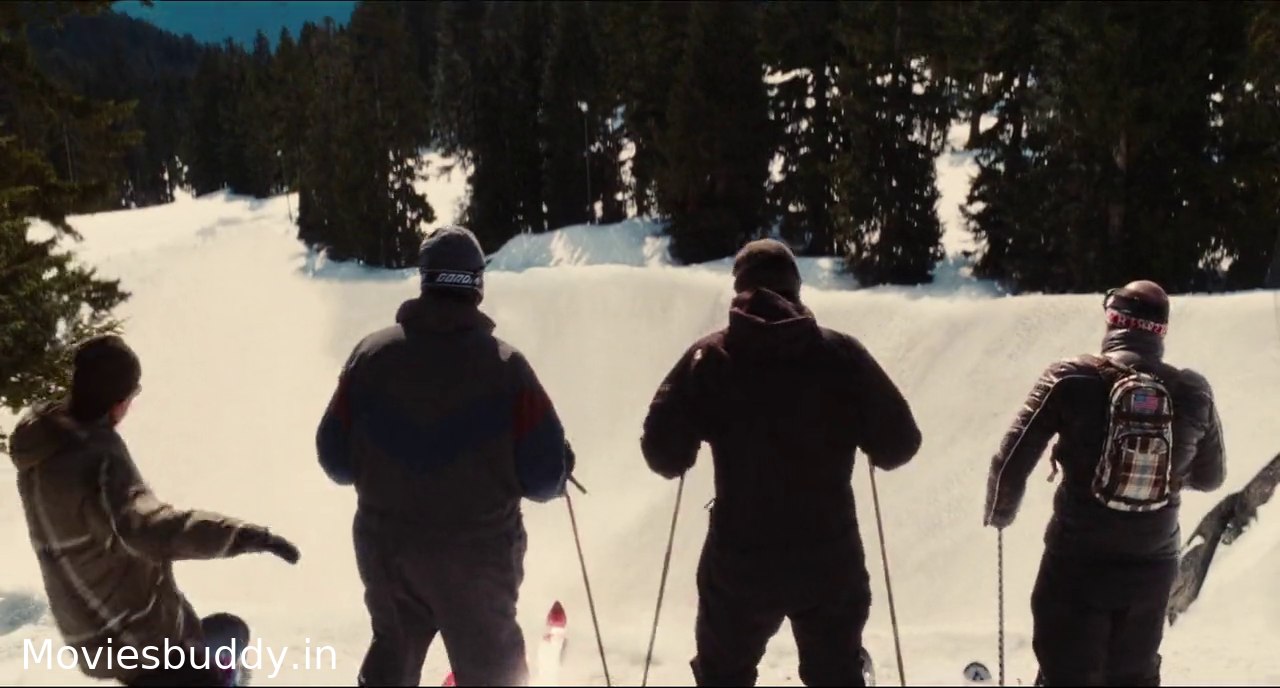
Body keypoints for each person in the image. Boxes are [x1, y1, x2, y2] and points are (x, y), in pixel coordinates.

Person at [640, 238, 922, 687]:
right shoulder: (841, 355)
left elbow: (662, 455)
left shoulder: (710, 358)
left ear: (739, 290)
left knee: (723, 677)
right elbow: (900, 444)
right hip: (829, 555)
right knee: (835, 674)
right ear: (797, 289)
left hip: (740, 560)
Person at [316, 225, 574, 687]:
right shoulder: (506, 367)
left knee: (393, 652)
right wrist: (561, 470)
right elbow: (542, 476)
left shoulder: (370, 356)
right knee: (492, 667)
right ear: (477, 284)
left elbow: (333, 458)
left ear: (425, 280)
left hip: (388, 549)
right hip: (478, 557)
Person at [9, 335, 301, 687]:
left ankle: (215, 673)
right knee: (224, 641)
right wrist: (244, 536)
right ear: (119, 402)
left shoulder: (42, 445)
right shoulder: (97, 460)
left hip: (91, 634)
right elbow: (151, 529)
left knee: (229, 631)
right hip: (137, 642)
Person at [984, 280, 1226, 686]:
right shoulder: (1192, 391)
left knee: (1067, 673)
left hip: (1077, 563)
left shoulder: (1070, 378)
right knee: (1133, 675)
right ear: (1161, 331)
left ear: (1113, 321)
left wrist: (999, 514)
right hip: (1153, 569)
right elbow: (1211, 477)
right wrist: (1160, 471)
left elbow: (1008, 462)